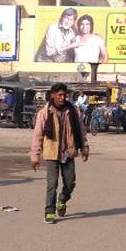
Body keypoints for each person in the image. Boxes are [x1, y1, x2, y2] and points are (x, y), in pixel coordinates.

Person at [30, 82, 89, 224]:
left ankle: (62, 199)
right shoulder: (44, 113)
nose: (62, 98)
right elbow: (38, 135)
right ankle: (49, 211)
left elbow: (81, 130)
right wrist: (35, 155)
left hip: (68, 153)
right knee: (52, 184)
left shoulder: (73, 111)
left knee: (70, 183)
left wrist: (84, 148)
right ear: (53, 95)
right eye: (60, 95)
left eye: (64, 95)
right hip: (51, 154)